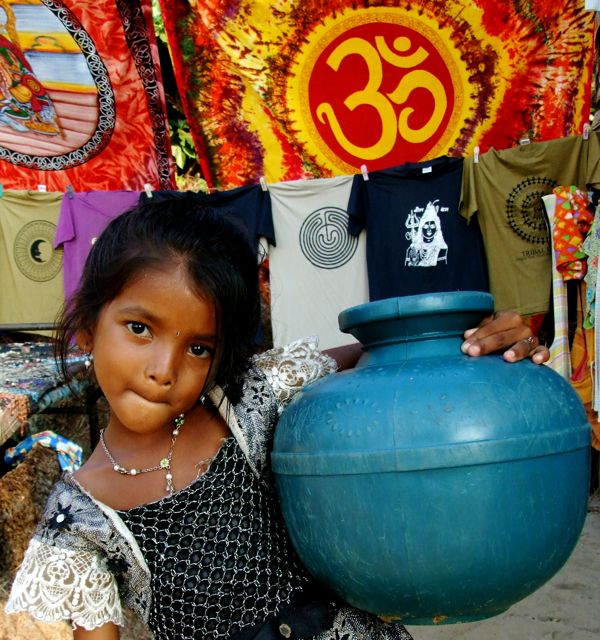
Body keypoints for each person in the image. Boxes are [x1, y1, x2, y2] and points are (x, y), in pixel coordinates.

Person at [5, 196, 549, 640]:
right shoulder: (77, 522)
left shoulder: (248, 397)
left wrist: (484, 345)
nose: (164, 370)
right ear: (88, 327)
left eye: (199, 348)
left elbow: (392, 353)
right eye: (140, 328)